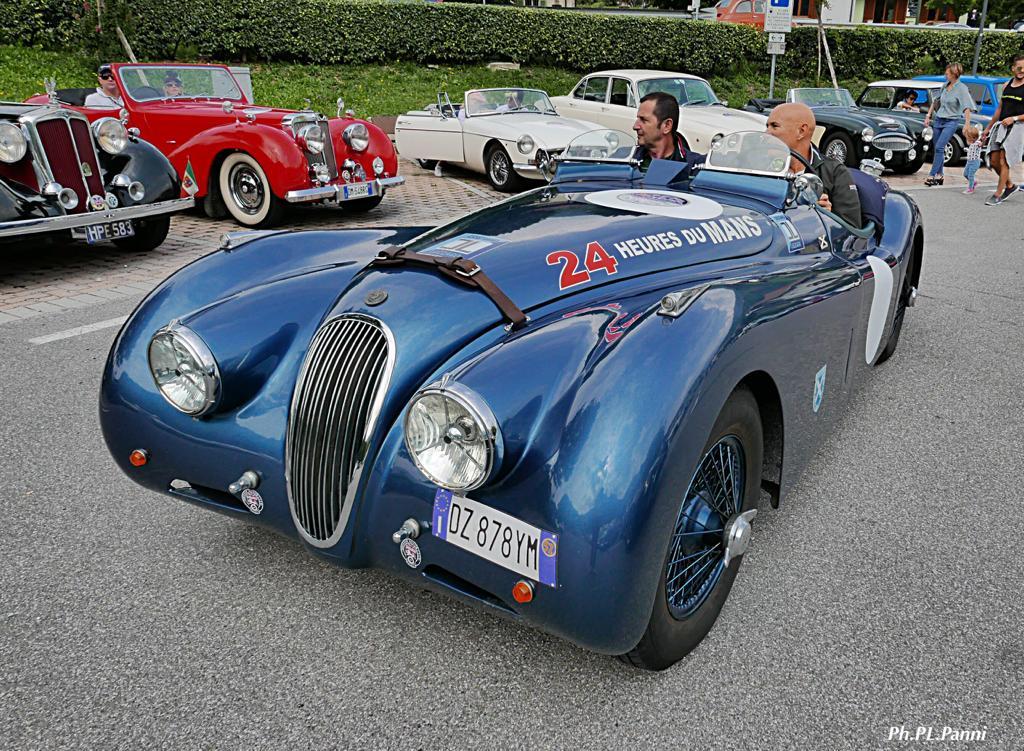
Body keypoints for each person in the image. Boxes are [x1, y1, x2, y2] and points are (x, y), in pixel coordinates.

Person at [765, 102, 862, 227]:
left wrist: (827, 216)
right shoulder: (761, 166)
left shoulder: (835, 172)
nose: (766, 133)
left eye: (774, 126)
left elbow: (852, 228)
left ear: (801, 131)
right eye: (767, 126)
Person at [980, 53, 1024, 205]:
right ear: (1013, 68)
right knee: (993, 161)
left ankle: (998, 194)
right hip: (1001, 127)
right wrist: (987, 129)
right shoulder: (1006, 85)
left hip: (1018, 127)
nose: (1022, 71)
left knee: (1004, 160)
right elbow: (999, 109)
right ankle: (1010, 186)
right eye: (1019, 68)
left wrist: (1014, 118)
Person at [923, 63, 975, 186]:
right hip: (938, 120)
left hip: (951, 121)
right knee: (937, 149)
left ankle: (932, 175)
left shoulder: (962, 88)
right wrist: (928, 115)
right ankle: (940, 175)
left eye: (947, 73)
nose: (945, 75)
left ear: (954, 74)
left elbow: (967, 107)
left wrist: (967, 124)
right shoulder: (944, 86)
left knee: (940, 147)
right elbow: (936, 101)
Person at [631, 91, 704, 175]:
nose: (635, 126)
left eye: (643, 120)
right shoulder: (625, 160)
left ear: (667, 125)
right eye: (638, 119)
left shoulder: (696, 167)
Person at [961, 125, 983, 194]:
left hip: (975, 162)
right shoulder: (972, 144)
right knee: (965, 174)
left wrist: (981, 143)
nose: (967, 140)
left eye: (968, 138)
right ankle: (973, 182)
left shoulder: (977, 143)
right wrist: (967, 150)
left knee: (970, 175)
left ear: (973, 138)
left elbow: (980, 144)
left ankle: (970, 189)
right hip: (969, 162)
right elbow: (972, 151)